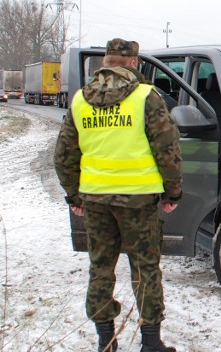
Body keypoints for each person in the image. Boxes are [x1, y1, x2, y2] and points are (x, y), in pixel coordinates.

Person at [54, 38, 183, 352]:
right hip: (139, 200)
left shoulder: (81, 100)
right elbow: (167, 150)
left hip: (96, 200)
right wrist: (173, 192)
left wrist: (74, 196)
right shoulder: (146, 98)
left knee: (100, 269)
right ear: (134, 64)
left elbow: (63, 155)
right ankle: (151, 344)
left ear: (103, 64)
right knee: (145, 269)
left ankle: (106, 342)